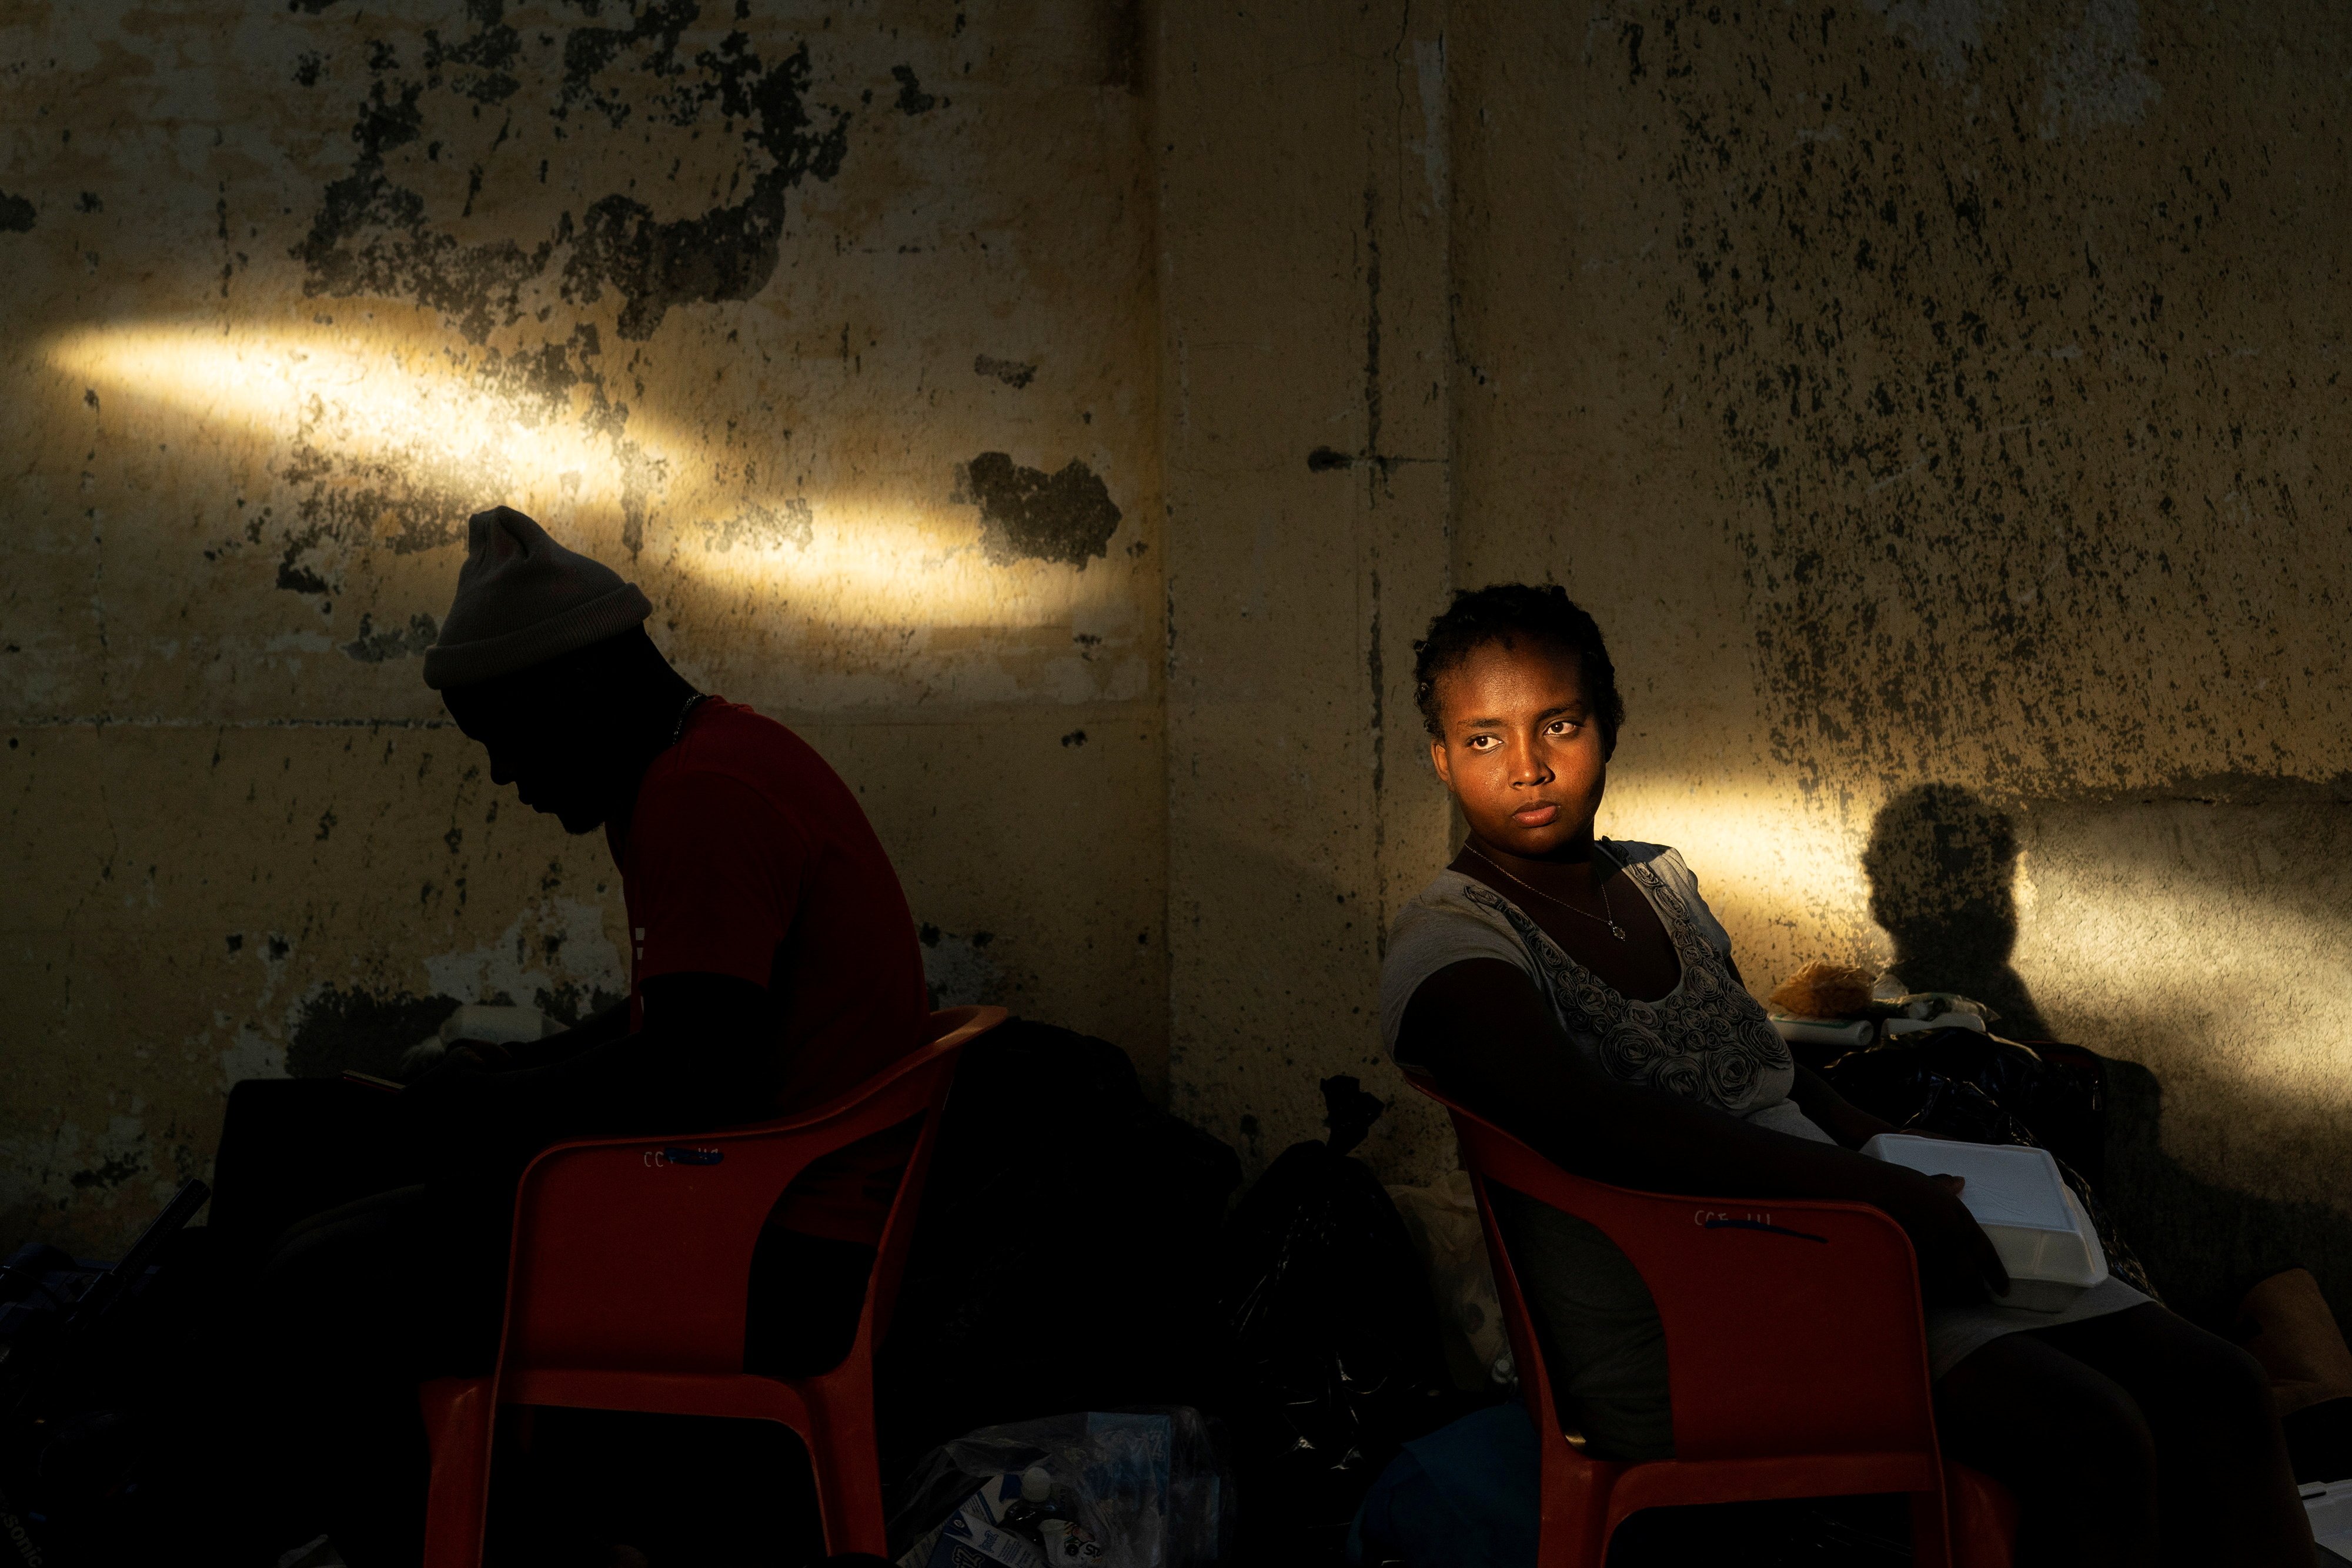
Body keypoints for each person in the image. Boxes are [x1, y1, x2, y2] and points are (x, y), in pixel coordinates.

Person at [1379, 583, 2313, 1567]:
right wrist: (1878, 1194)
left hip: (1841, 1244)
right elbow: (1590, 1123)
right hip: (1695, 1308)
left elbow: (1760, 1066)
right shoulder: (1454, 942)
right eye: (1483, 739)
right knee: (2091, 1431)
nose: (1526, 766)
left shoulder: (1656, 880)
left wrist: (1897, 1152)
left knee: (2220, 1385)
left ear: (1607, 727)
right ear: (1441, 757)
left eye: (1557, 724)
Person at [192, 506, 930, 1566]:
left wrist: (493, 1108)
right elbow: (687, 1020)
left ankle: (349, 1530)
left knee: (312, 1287)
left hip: (763, 1258)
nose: (506, 781)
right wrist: (518, 1073)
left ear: (577, 690)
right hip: (745, 1214)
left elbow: (694, 1077)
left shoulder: (703, 795)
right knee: (284, 1137)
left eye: (506, 743)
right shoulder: (707, 759)